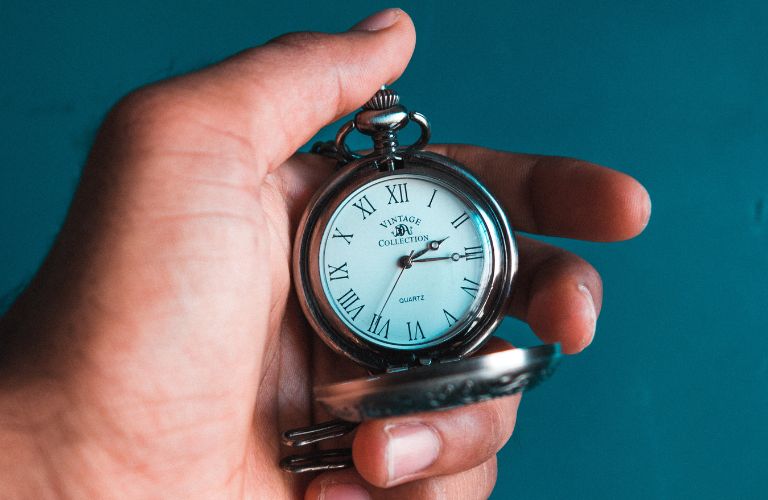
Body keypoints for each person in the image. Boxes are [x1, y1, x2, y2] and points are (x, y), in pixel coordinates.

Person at [0, 8, 650, 500]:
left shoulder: (453, 224)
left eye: (421, 251)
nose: (405, 260)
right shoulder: (299, 226)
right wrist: (71, 451)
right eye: (404, 254)